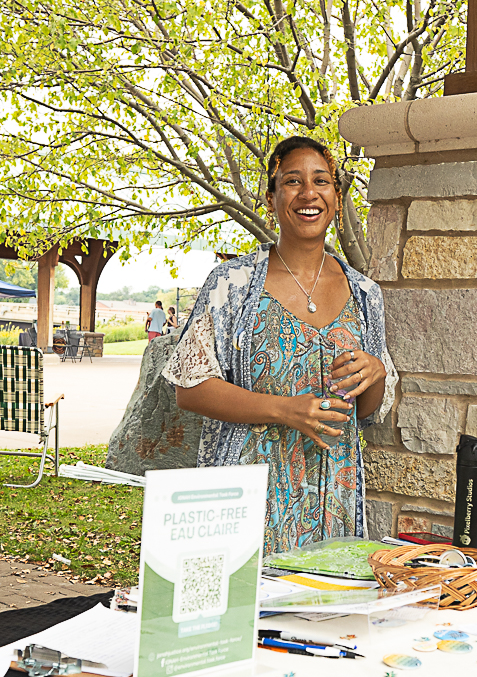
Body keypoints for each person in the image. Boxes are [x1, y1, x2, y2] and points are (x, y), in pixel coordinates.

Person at [168, 136, 396, 553]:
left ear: (337, 198)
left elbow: (366, 411)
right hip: (246, 498)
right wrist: (284, 410)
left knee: (325, 611)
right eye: (292, 181)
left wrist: (375, 372)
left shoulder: (365, 294)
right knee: (249, 615)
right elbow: (190, 388)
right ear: (271, 200)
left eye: (321, 181)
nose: (309, 193)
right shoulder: (232, 284)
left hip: (333, 500)